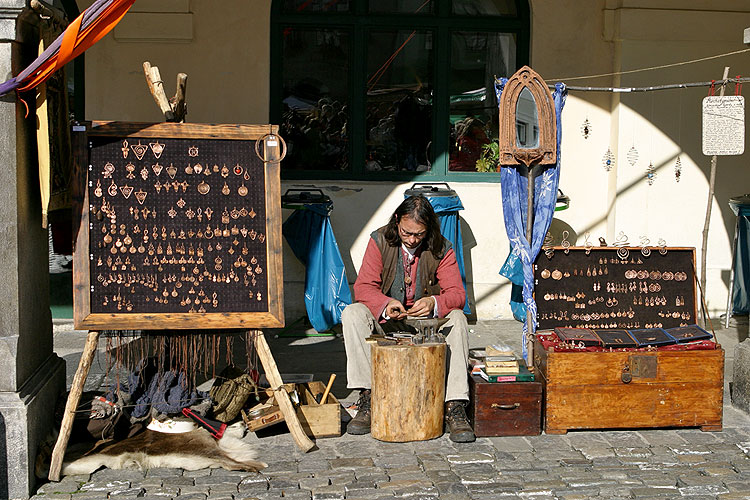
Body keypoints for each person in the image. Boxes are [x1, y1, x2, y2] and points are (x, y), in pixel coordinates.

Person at [342, 195, 475, 442]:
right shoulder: (379, 240)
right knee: (352, 313)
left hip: (426, 327)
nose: (412, 239)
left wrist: (434, 303)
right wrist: (386, 303)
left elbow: (457, 295)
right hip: (388, 323)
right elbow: (363, 288)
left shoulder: (442, 247)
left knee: (457, 318)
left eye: (419, 234)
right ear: (396, 222)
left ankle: (455, 405)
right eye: (407, 232)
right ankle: (368, 397)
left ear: (428, 230)